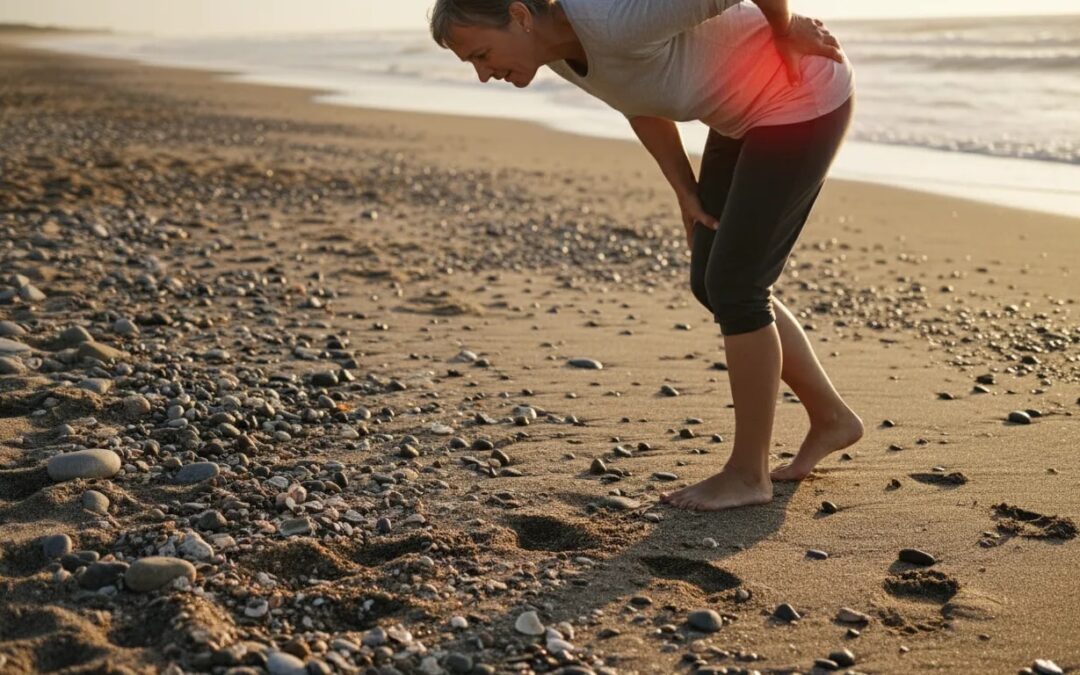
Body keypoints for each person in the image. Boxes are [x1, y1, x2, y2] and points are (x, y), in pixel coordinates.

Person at [429, 0, 865, 511]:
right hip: (740, 114)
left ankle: (749, 474)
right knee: (711, 281)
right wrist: (684, 187)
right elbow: (635, 97)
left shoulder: (613, 18)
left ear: (521, 16)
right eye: (472, 65)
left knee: (737, 286)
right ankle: (832, 418)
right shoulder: (557, 51)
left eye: (482, 54)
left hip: (802, 91)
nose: (484, 75)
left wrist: (786, 27)